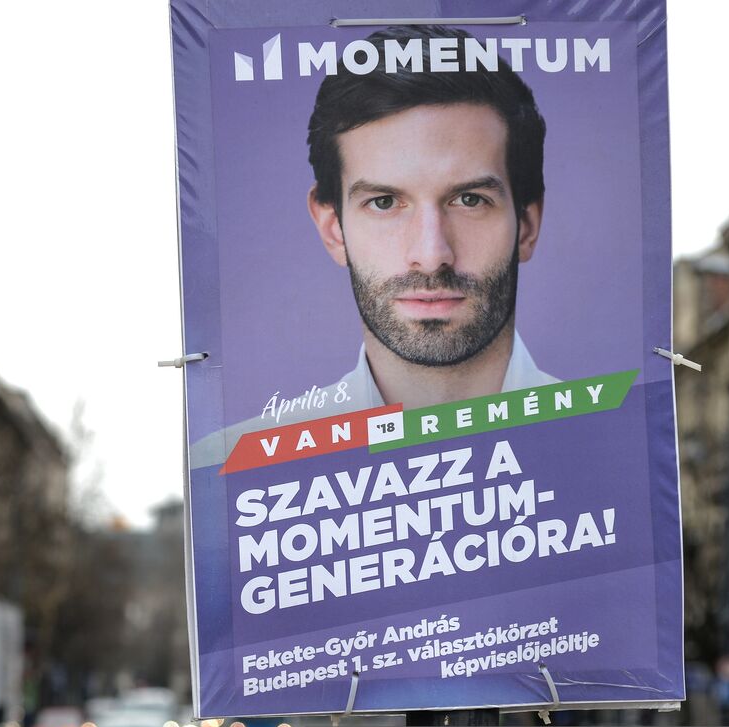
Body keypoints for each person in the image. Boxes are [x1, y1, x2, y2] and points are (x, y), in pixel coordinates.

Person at [190, 24, 556, 470]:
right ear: (333, 228)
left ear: (527, 225)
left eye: (470, 200)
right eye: (384, 202)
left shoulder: (613, 443)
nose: (432, 255)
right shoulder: (230, 467)